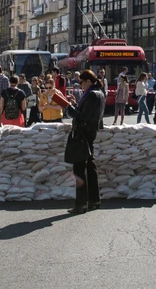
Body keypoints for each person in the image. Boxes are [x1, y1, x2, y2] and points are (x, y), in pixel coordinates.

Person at [66, 70, 104, 214]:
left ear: (88, 81)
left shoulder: (92, 95)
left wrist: (69, 108)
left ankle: (81, 203)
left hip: (83, 133)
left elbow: (82, 117)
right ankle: (94, 200)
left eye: (81, 82)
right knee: (90, 167)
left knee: (79, 169)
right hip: (90, 132)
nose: (81, 85)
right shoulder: (98, 93)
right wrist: (76, 105)